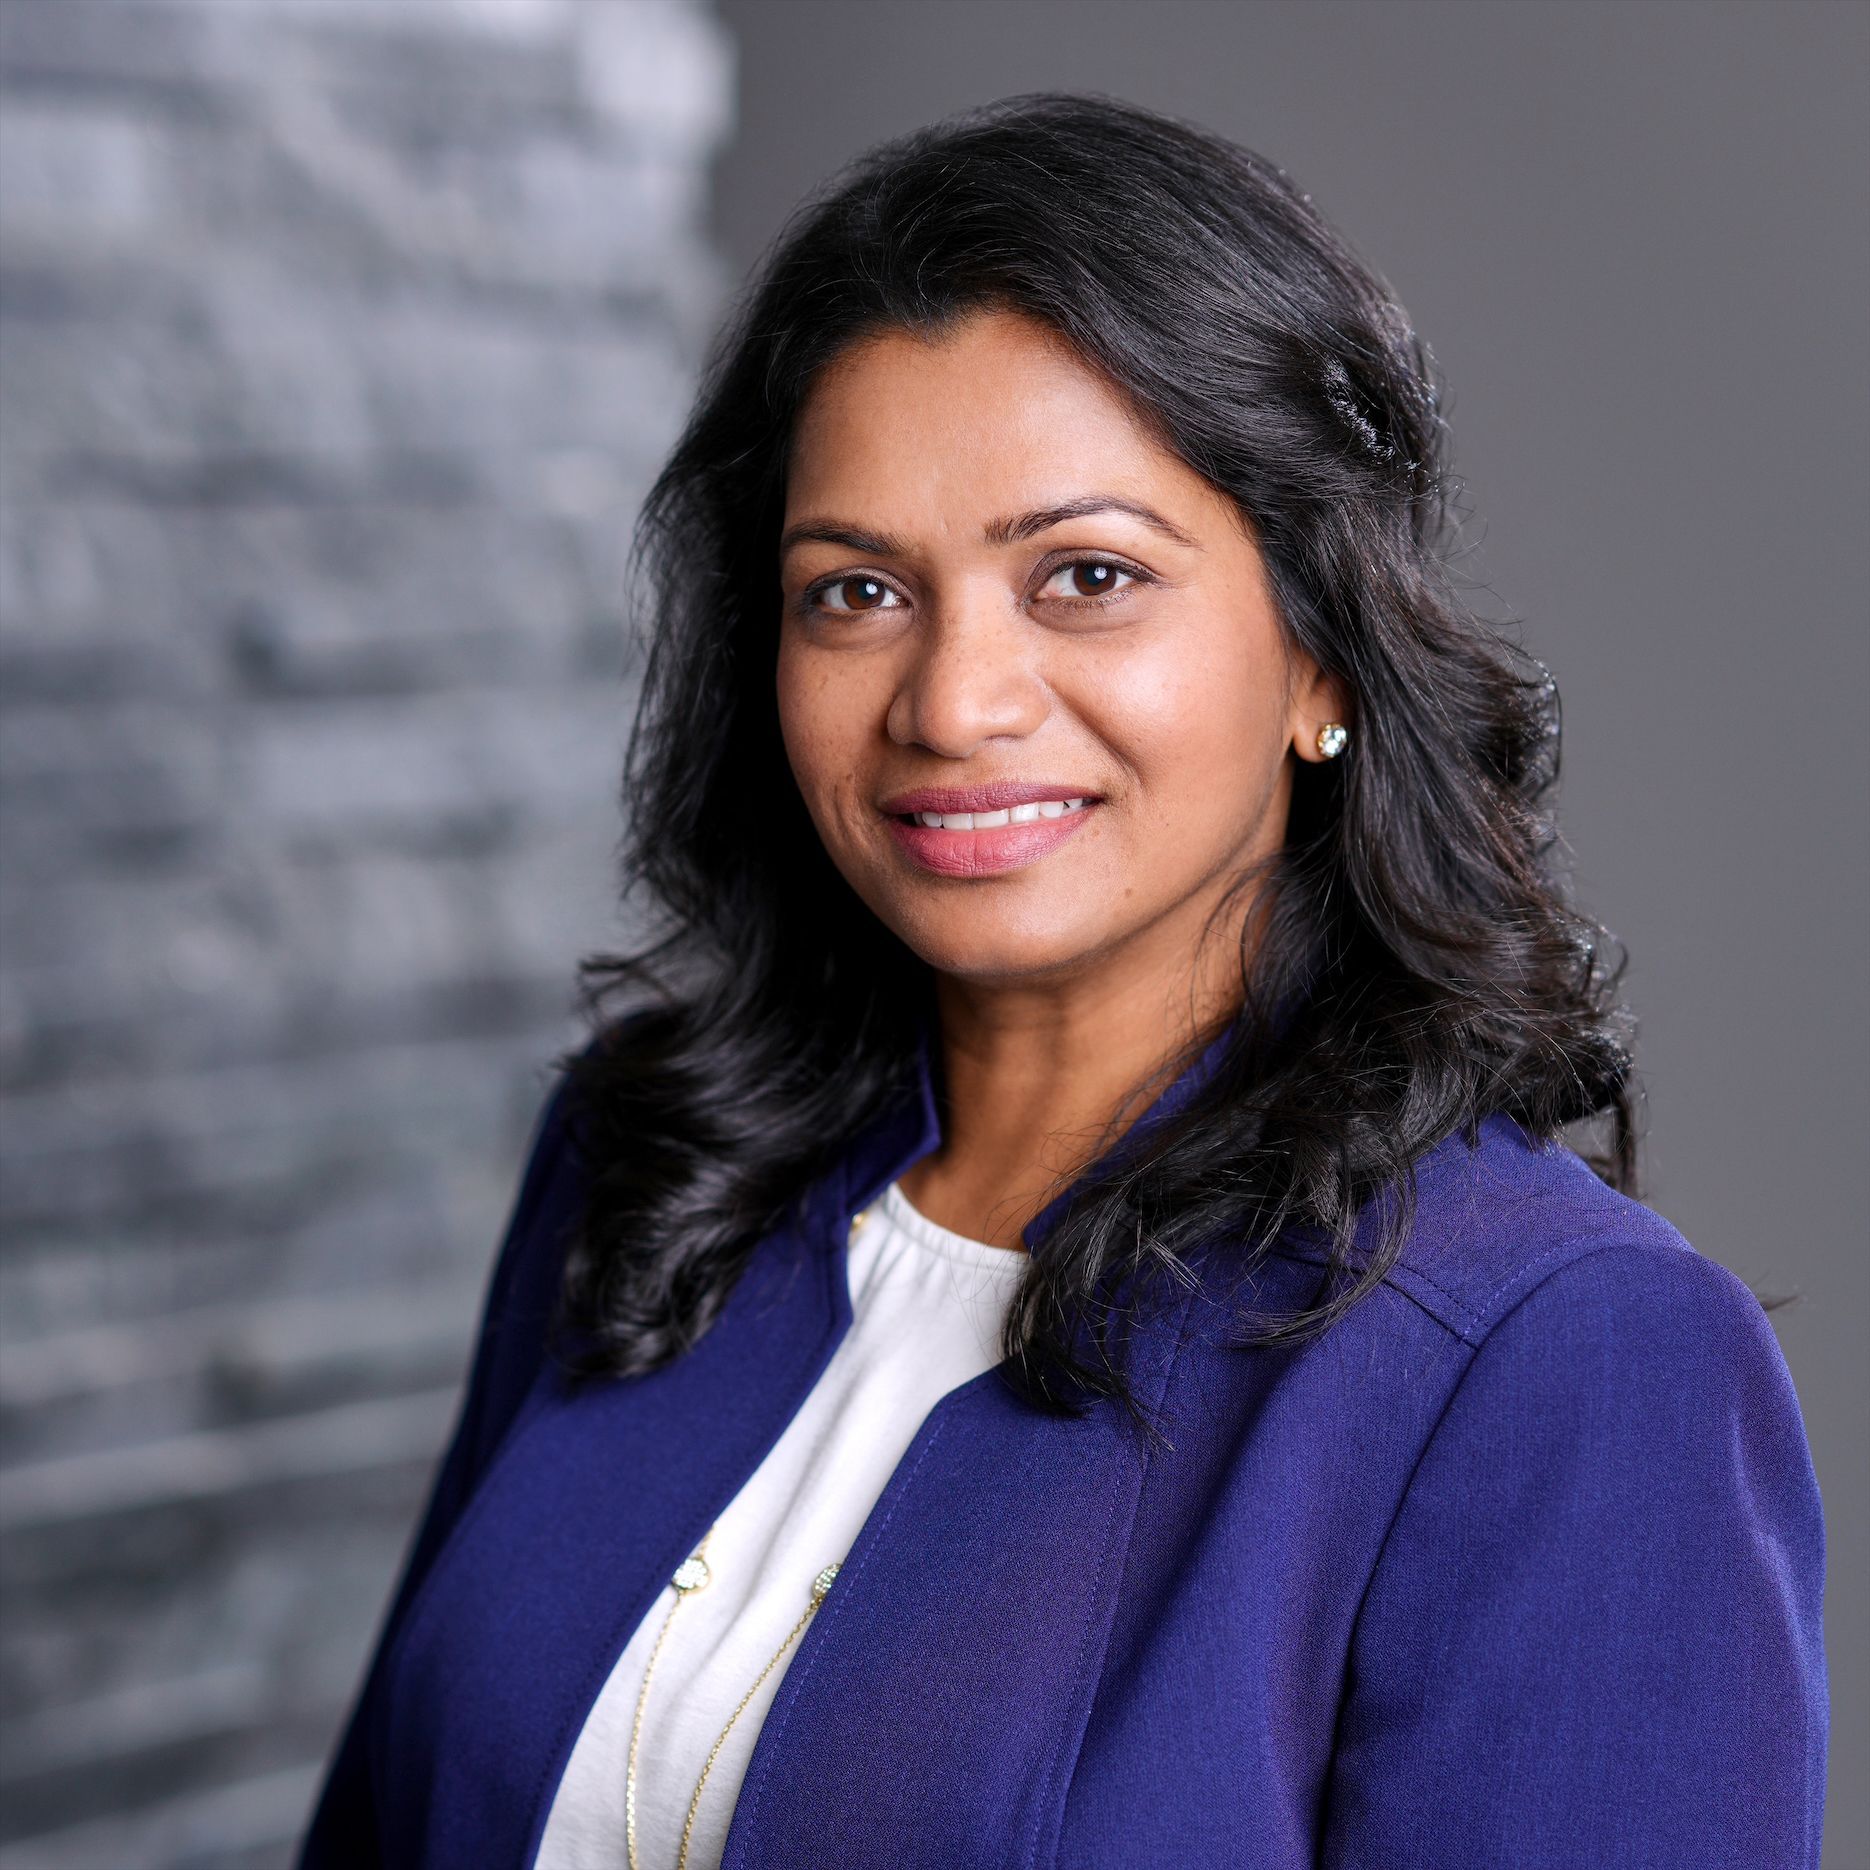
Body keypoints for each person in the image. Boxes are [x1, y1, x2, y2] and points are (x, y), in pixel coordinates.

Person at [297, 94, 1827, 1870]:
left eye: (1085, 577)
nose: (952, 701)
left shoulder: (1555, 1353)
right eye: (855, 590)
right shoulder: (650, 1159)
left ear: (1320, 649)